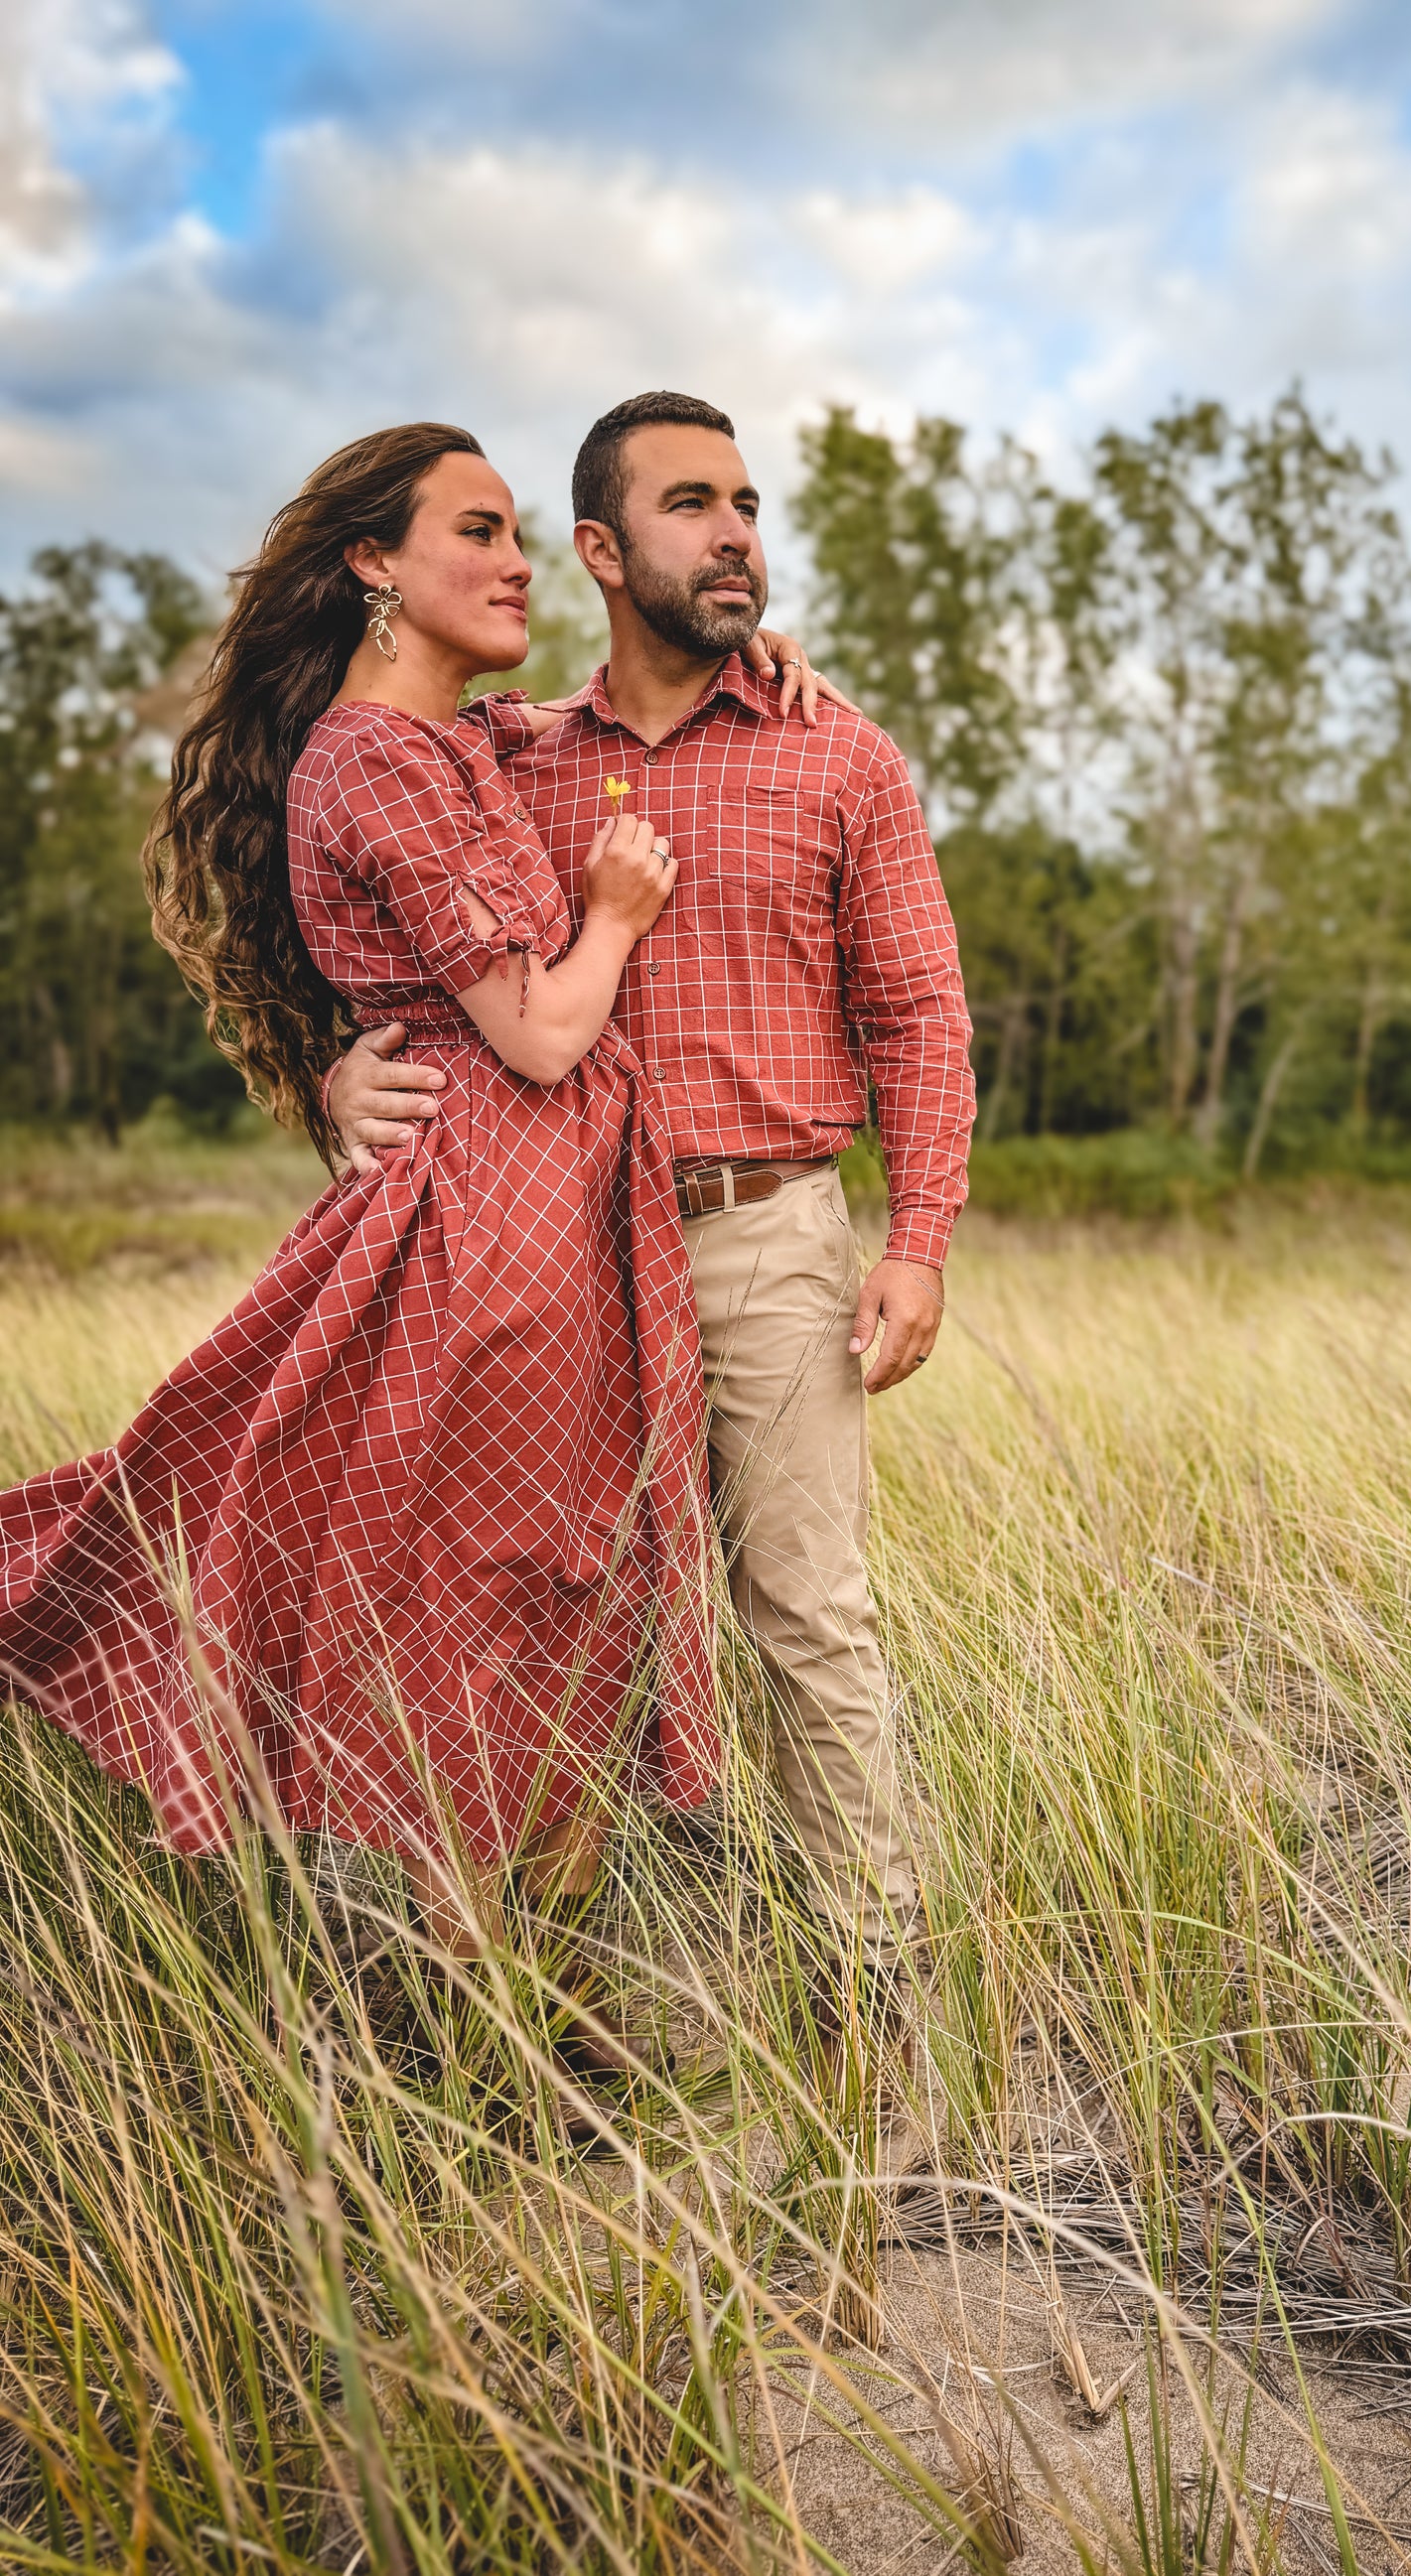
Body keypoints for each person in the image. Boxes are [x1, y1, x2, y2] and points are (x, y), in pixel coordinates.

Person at [0, 422, 831, 2067]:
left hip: (562, 1222)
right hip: (500, 1227)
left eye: (525, 533)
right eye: (479, 530)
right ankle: (482, 2027)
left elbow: (612, 714)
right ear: (377, 565)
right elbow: (530, 1033)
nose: (516, 561)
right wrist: (611, 914)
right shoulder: (375, 758)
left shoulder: (465, 744)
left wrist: (746, 647)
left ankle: (540, 2000)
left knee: (580, 1600)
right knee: (493, 1608)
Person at [327, 391, 977, 2005]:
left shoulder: (839, 752)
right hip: (559, 1260)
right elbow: (366, 905)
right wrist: (333, 1071)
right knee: (565, 1621)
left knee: (806, 1616)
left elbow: (919, 1013)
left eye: (747, 503)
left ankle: (868, 1977)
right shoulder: (507, 758)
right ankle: (551, 2003)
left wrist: (917, 1240)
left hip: (771, 1238)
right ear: (604, 552)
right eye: (694, 504)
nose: (739, 531)